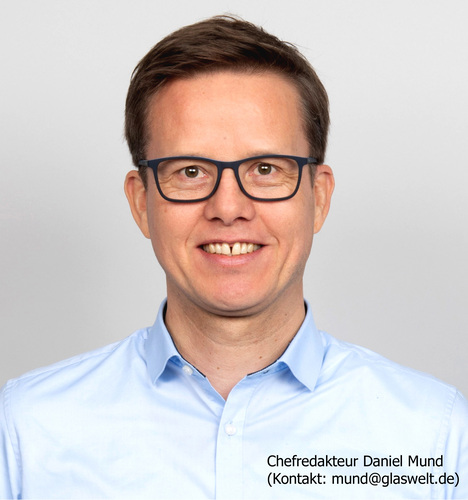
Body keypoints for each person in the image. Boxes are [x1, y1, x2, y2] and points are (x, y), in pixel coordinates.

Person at [0, 15, 466, 499]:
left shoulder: (433, 434)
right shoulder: (27, 433)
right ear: (141, 202)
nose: (228, 208)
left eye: (265, 168)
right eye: (190, 171)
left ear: (319, 197)